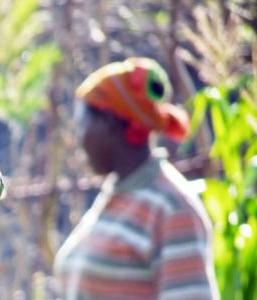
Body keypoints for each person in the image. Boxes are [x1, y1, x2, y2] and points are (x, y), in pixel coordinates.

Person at [53, 58, 219, 300]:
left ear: (108, 124)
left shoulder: (171, 209)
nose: (78, 140)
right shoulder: (118, 195)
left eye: (82, 126)